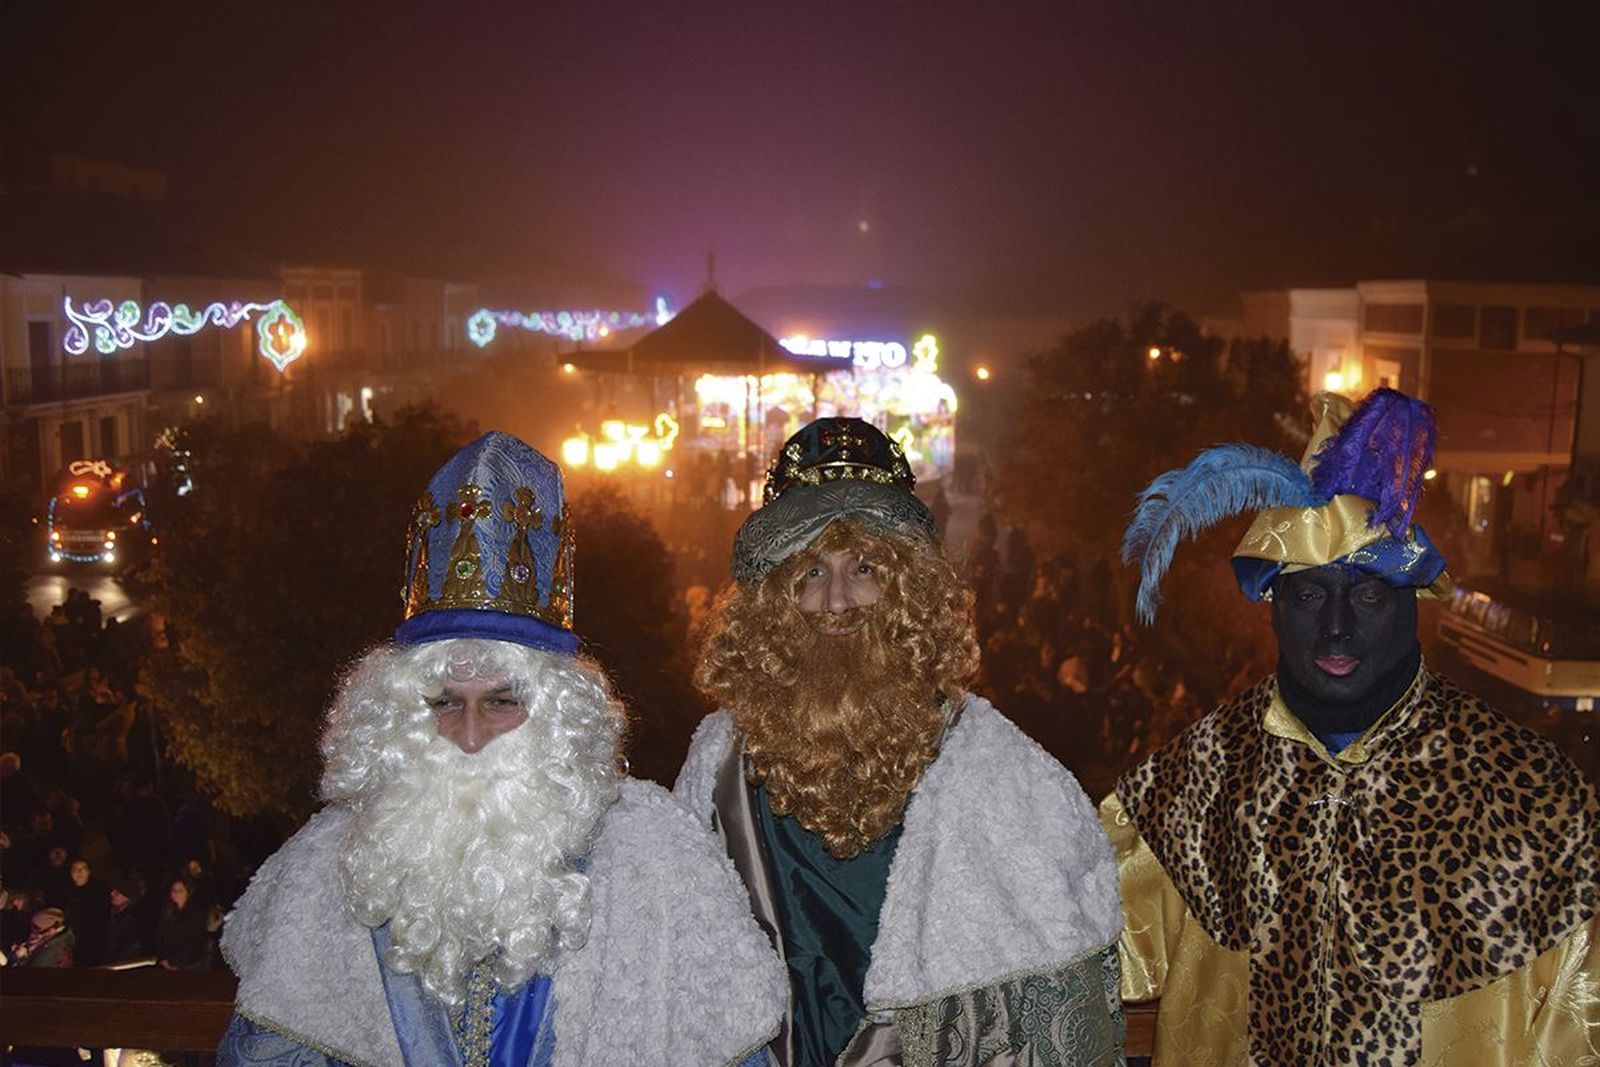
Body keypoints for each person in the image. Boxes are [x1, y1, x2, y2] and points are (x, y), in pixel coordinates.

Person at [218, 432, 784, 1066]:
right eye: (444, 703)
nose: (468, 735)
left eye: (501, 702)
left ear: (555, 718)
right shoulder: (324, 866)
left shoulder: (655, 854)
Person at [1112, 389, 1600, 1065]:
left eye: (1369, 593)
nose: (1336, 627)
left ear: (1410, 602)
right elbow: (1071, 947)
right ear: (1274, 605)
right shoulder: (1196, 778)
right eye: (1310, 593)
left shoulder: (1539, 800)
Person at [677, 417, 1125, 1066]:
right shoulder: (717, 766)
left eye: (864, 568)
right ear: (775, 603)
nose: (836, 600)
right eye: (808, 573)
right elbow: (680, 985)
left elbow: (1059, 1021)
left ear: (908, 589)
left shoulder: (1005, 772)